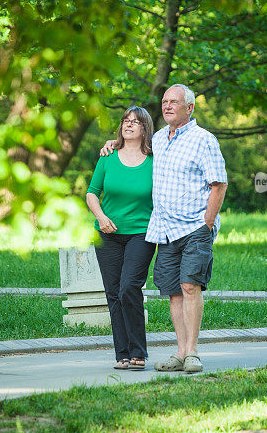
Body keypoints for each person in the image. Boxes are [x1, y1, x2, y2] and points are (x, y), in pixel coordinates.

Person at [102, 84, 228, 374]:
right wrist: (113, 142)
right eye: (164, 101)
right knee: (173, 292)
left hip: (195, 227)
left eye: (174, 102)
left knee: (189, 286)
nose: (167, 106)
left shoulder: (203, 140)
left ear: (190, 108)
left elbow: (218, 184)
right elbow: (133, 148)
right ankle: (181, 352)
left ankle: (193, 353)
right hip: (166, 230)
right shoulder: (158, 139)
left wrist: (206, 225)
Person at [86, 106, 155, 371]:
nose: (129, 125)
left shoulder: (155, 158)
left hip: (141, 233)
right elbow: (92, 192)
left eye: (135, 122)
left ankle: (139, 351)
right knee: (113, 293)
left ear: (145, 128)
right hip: (107, 234)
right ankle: (122, 354)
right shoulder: (108, 156)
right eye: (126, 120)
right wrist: (101, 218)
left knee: (129, 287)